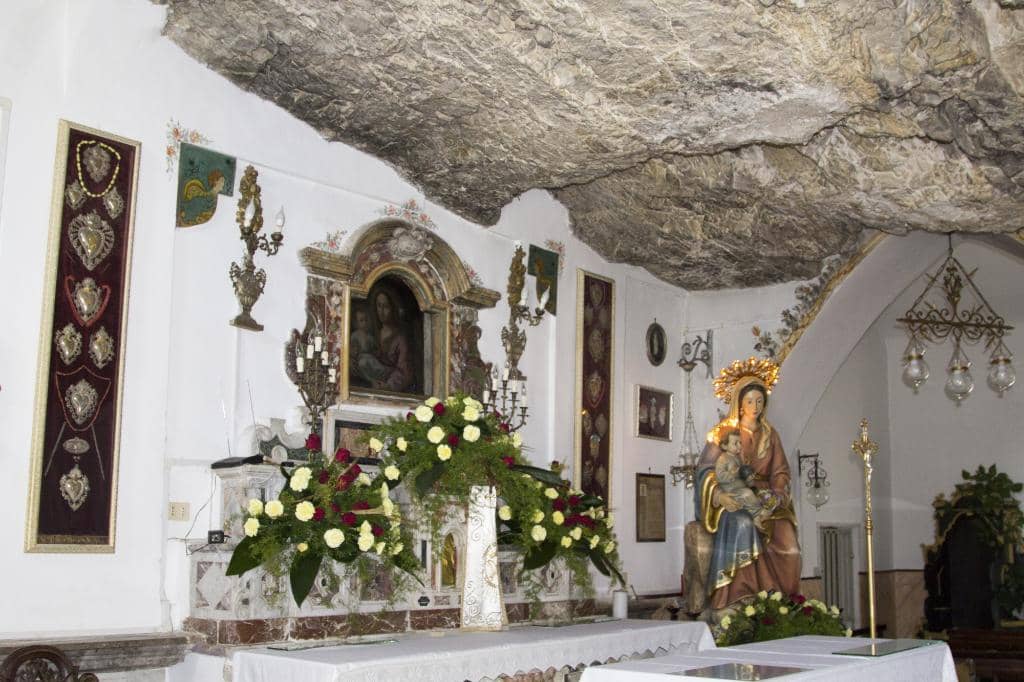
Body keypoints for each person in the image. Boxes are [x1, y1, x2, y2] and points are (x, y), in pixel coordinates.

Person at [694, 361, 800, 612]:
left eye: (760, 401)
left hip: (766, 499)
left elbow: (780, 471)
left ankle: (781, 604)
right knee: (743, 524)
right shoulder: (723, 434)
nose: (755, 407)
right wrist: (719, 495)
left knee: (790, 546)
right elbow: (706, 472)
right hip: (734, 497)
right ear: (739, 403)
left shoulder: (770, 434)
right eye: (750, 401)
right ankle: (739, 598)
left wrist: (777, 494)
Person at [714, 430, 770, 532]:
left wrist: (748, 478)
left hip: (740, 488)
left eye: (740, 442)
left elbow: (741, 474)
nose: (739, 446)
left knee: (754, 493)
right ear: (724, 446)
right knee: (747, 494)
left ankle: (757, 517)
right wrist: (733, 473)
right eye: (735, 443)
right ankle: (759, 512)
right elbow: (719, 476)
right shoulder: (723, 459)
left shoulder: (736, 458)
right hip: (731, 491)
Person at [371, 289, 415, 393]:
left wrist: (389, 386)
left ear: (393, 308)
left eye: (385, 306)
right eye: (379, 305)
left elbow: (404, 371)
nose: (381, 311)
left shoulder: (400, 339)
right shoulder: (372, 333)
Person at [349, 307, 389, 384]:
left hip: (370, 358)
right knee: (362, 364)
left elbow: (375, 349)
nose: (364, 323)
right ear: (356, 323)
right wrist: (353, 354)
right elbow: (351, 348)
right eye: (361, 320)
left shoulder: (370, 337)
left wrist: (377, 352)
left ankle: (381, 378)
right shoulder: (355, 335)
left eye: (366, 320)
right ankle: (371, 380)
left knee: (377, 366)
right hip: (360, 358)